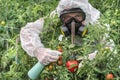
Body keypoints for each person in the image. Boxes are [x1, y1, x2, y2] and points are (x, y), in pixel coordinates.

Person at [20, 0, 115, 66]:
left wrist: (97, 57)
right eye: (67, 17)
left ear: (85, 17)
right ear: (61, 16)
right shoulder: (56, 15)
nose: (72, 23)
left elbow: (110, 48)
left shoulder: (95, 20)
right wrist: (38, 51)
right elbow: (28, 30)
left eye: (78, 16)